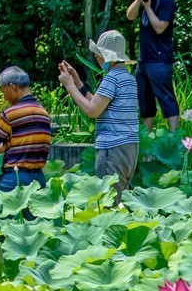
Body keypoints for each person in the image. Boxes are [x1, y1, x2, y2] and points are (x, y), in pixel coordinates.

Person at [57, 30, 142, 199]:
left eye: (99, 54)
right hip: (130, 148)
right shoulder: (128, 78)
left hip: (113, 149)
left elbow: (92, 110)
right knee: (121, 202)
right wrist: (78, 82)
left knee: (107, 202)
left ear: (109, 56)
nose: (96, 57)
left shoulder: (111, 78)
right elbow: (98, 104)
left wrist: (69, 86)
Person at [125, 0, 179, 132]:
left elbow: (159, 27)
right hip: (144, 59)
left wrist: (147, 7)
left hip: (160, 59)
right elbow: (130, 16)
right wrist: (139, 0)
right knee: (145, 101)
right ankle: (146, 139)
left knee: (166, 98)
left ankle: (174, 136)